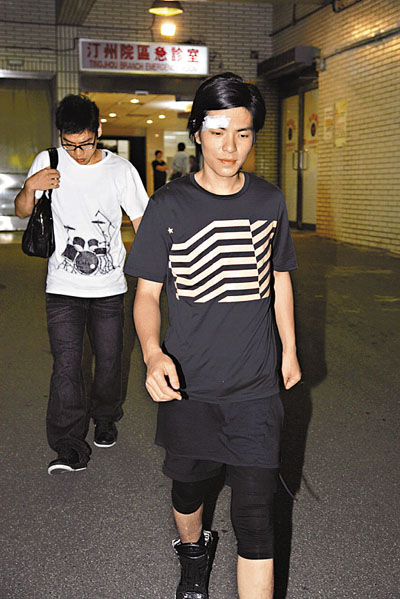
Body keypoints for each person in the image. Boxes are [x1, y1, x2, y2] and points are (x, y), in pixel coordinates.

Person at [124, 72, 301, 599]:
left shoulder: (269, 201)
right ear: (198, 132)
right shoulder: (168, 205)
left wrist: (290, 349)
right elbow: (147, 295)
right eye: (218, 132)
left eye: (243, 134)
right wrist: (153, 354)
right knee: (188, 491)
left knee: (256, 515)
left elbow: (281, 277)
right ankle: (193, 554)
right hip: (189, 386)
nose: (230, 147)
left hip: (255, 388)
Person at [15, 94, 148, 475]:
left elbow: (142, 221)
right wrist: (31, 186)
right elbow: (22, 211)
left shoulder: (120, 170)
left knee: (109, 361)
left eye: (86, 144)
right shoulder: (48, 161)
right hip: (62, 286)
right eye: (70, 144)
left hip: (109, 287)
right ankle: (69, 446)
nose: (78, 153)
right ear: (61, 136)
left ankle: (105, 417)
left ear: (98, 132)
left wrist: (151, 273)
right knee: (66, 365)